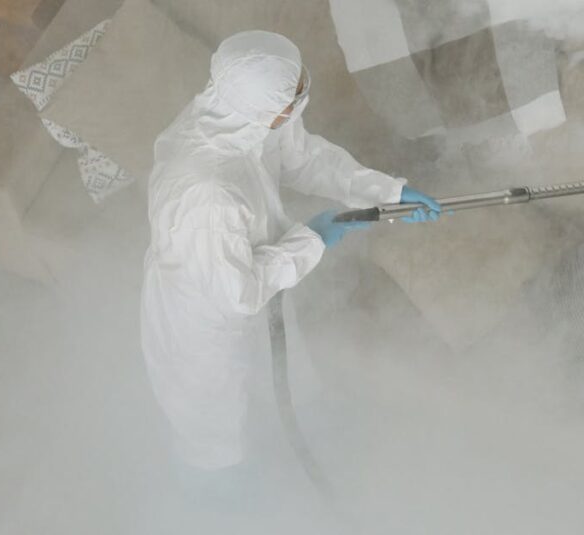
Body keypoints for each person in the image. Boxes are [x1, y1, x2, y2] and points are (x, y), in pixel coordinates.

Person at [141, 30, 440, 471]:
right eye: (294, 96)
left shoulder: (246, 114)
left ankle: (304, 429)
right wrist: (313, 238)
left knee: (283, 368)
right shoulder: (208, 191)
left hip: (261, 282)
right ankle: (218, 486)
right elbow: (236, 295)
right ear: (266, 106)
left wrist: (386, 192)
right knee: (212, 425)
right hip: (205, 321)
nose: (301, 100)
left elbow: (303, 158)